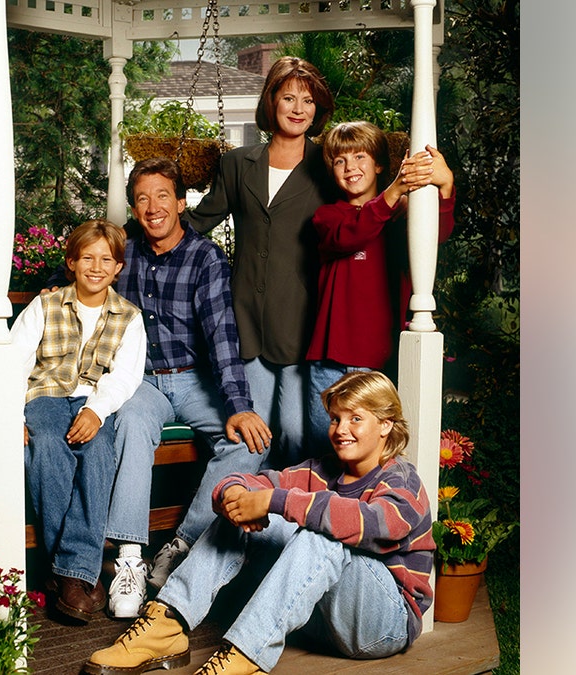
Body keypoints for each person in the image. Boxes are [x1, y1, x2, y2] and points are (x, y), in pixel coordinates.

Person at [84, 370, 435, 675]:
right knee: (241, 513)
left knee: (324, 534)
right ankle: (167, 625)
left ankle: (245, 654)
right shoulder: (322, 469)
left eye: (355, 418)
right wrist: (237, 497)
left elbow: (375, 525)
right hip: (320, 621)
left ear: (386, 425)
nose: (341, 429)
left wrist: (273, 501)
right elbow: (256, 482)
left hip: (382, 625)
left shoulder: (401, 478)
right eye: (335, 418)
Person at [103, 157, 274, 619]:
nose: (153, 206)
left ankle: (180, 545)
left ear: (181, 203)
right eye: (142, 198)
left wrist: (238, 405)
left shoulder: (205, 257)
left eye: (163, 196)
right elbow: (79, 276)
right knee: (131, 425)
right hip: (143, 382)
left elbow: (222, 334)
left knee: (249, 441)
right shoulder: (124, 253)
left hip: (196, 380)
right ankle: (131, 561)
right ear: (134, 209)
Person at [189, 56, 340, 468]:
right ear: (270, 102)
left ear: (318, 109)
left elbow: (357, 219)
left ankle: (286, 521)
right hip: (245, 318)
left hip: (302, 320)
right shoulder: (237, 164)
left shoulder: (329, 168)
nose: (297, 108)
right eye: (288, 97)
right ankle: (245, 524)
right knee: (253, 435)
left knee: (294, 433)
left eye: (307, 101)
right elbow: (198, 221)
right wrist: (116, 246)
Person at [9, 219, 146, 623]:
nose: (96, 266)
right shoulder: (45, 305)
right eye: (87, 257)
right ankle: (77, 574)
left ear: (119, 267)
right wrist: (12, 417)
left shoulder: (128, 317)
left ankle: (65, 576)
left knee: (98, 453)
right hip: (45, 396)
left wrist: (96, 411)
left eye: (106, 259)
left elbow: (124, 376)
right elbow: (15, 363)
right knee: (49, 449)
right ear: (71, 262)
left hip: (92, 400)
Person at [305, 121, 457, 447]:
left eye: (360, 157)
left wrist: (445, 188)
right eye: (340, 161)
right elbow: (352, 234)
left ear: (378, 165)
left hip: (377, 358)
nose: (350, 168)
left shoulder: (404, 216)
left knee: (370, 452)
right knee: (323, 447)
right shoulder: (327, 216)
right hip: (328, 360)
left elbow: (435, 237)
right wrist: (395, 191)